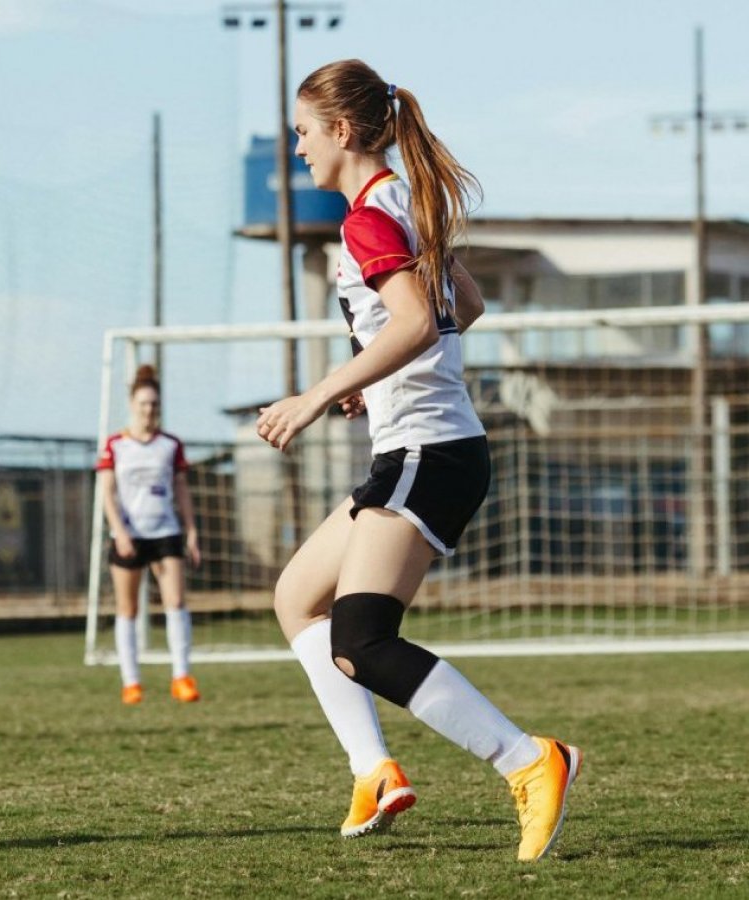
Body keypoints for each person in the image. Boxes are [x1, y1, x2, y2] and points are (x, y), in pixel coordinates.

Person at [257, 60, 580, 862]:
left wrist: (317, 394)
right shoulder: (406, 200)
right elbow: (462, 305)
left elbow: (415, 323)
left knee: (361, 639)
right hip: (429, 446)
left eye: (301, 133)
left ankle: (529, 760)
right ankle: (373, 770)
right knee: (298, 597)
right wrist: (387, 374)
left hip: (426, 453)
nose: (295, 148)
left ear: (341, 131)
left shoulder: (368, 218)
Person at [96, 364, 202, 705]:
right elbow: (107, 493)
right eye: (143, 404)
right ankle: (131, 681)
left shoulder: (170, 445)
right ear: (132, 404)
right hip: (129, 535)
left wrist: (191, 532)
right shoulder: (115, 445)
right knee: (128, 609)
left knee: (175, 602)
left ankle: (182, 676)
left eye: (154, 404)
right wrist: (120, 532)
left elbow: (182, 491)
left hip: (166, 532)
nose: (149, 409)